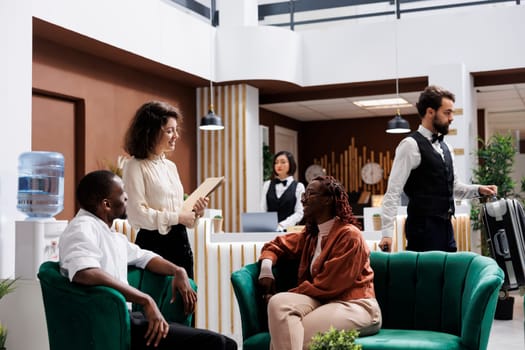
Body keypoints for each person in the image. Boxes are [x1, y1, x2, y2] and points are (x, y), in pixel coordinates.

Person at [58, 170, 237, 350]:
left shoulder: (109, 234)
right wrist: (145, 300)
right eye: (123, 195)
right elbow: (84, 272)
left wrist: (178, 270)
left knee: (227, 343)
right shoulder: (82, 228)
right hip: (108, 325)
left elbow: (144, 257)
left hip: (126, 318)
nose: (127, 198)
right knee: (218, 344)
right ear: (106, 204)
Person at [258, 175, 381, 350]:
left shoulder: (349, 235)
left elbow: (329, 285)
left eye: (310, 194)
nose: (303, 199)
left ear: (327, 200)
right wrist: (266, 270)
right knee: (278, 304)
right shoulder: (311, 234)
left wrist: (290, 291)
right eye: (304, 195)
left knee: (287, 333)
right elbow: (275, 245)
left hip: (355, 305)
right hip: (324, 302)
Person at [379, 85, 497, 252]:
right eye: (447, 113)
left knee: (448, 277)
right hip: (422, 229)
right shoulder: (410, 145)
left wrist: (479, 190)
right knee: (428, 277)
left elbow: (454, 187)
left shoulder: (446, 148)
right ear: (430, 112)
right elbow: (393, 191)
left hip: (446, 227)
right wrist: (387, 233)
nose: (451, 118)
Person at [122, 101, 208, 279]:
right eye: (169, 131)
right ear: (150, 132)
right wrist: (178, 217)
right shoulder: (134, 166)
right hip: (154, 249)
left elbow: (180, 215)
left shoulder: (170, 167)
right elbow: (137, 215)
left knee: (186, 305)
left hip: (181, 245)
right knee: (156, 304)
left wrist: (195, 212)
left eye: (176, 130)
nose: (176, 136)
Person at [260, 151, 305, 231]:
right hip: (269, 230)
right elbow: (263, 209)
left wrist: (282, 225)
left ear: (291, 164)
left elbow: (299, 213)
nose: (279, 165)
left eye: (283, 162)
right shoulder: (267, 184)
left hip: (289, 231)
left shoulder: (299, 187)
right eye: (276, 163)